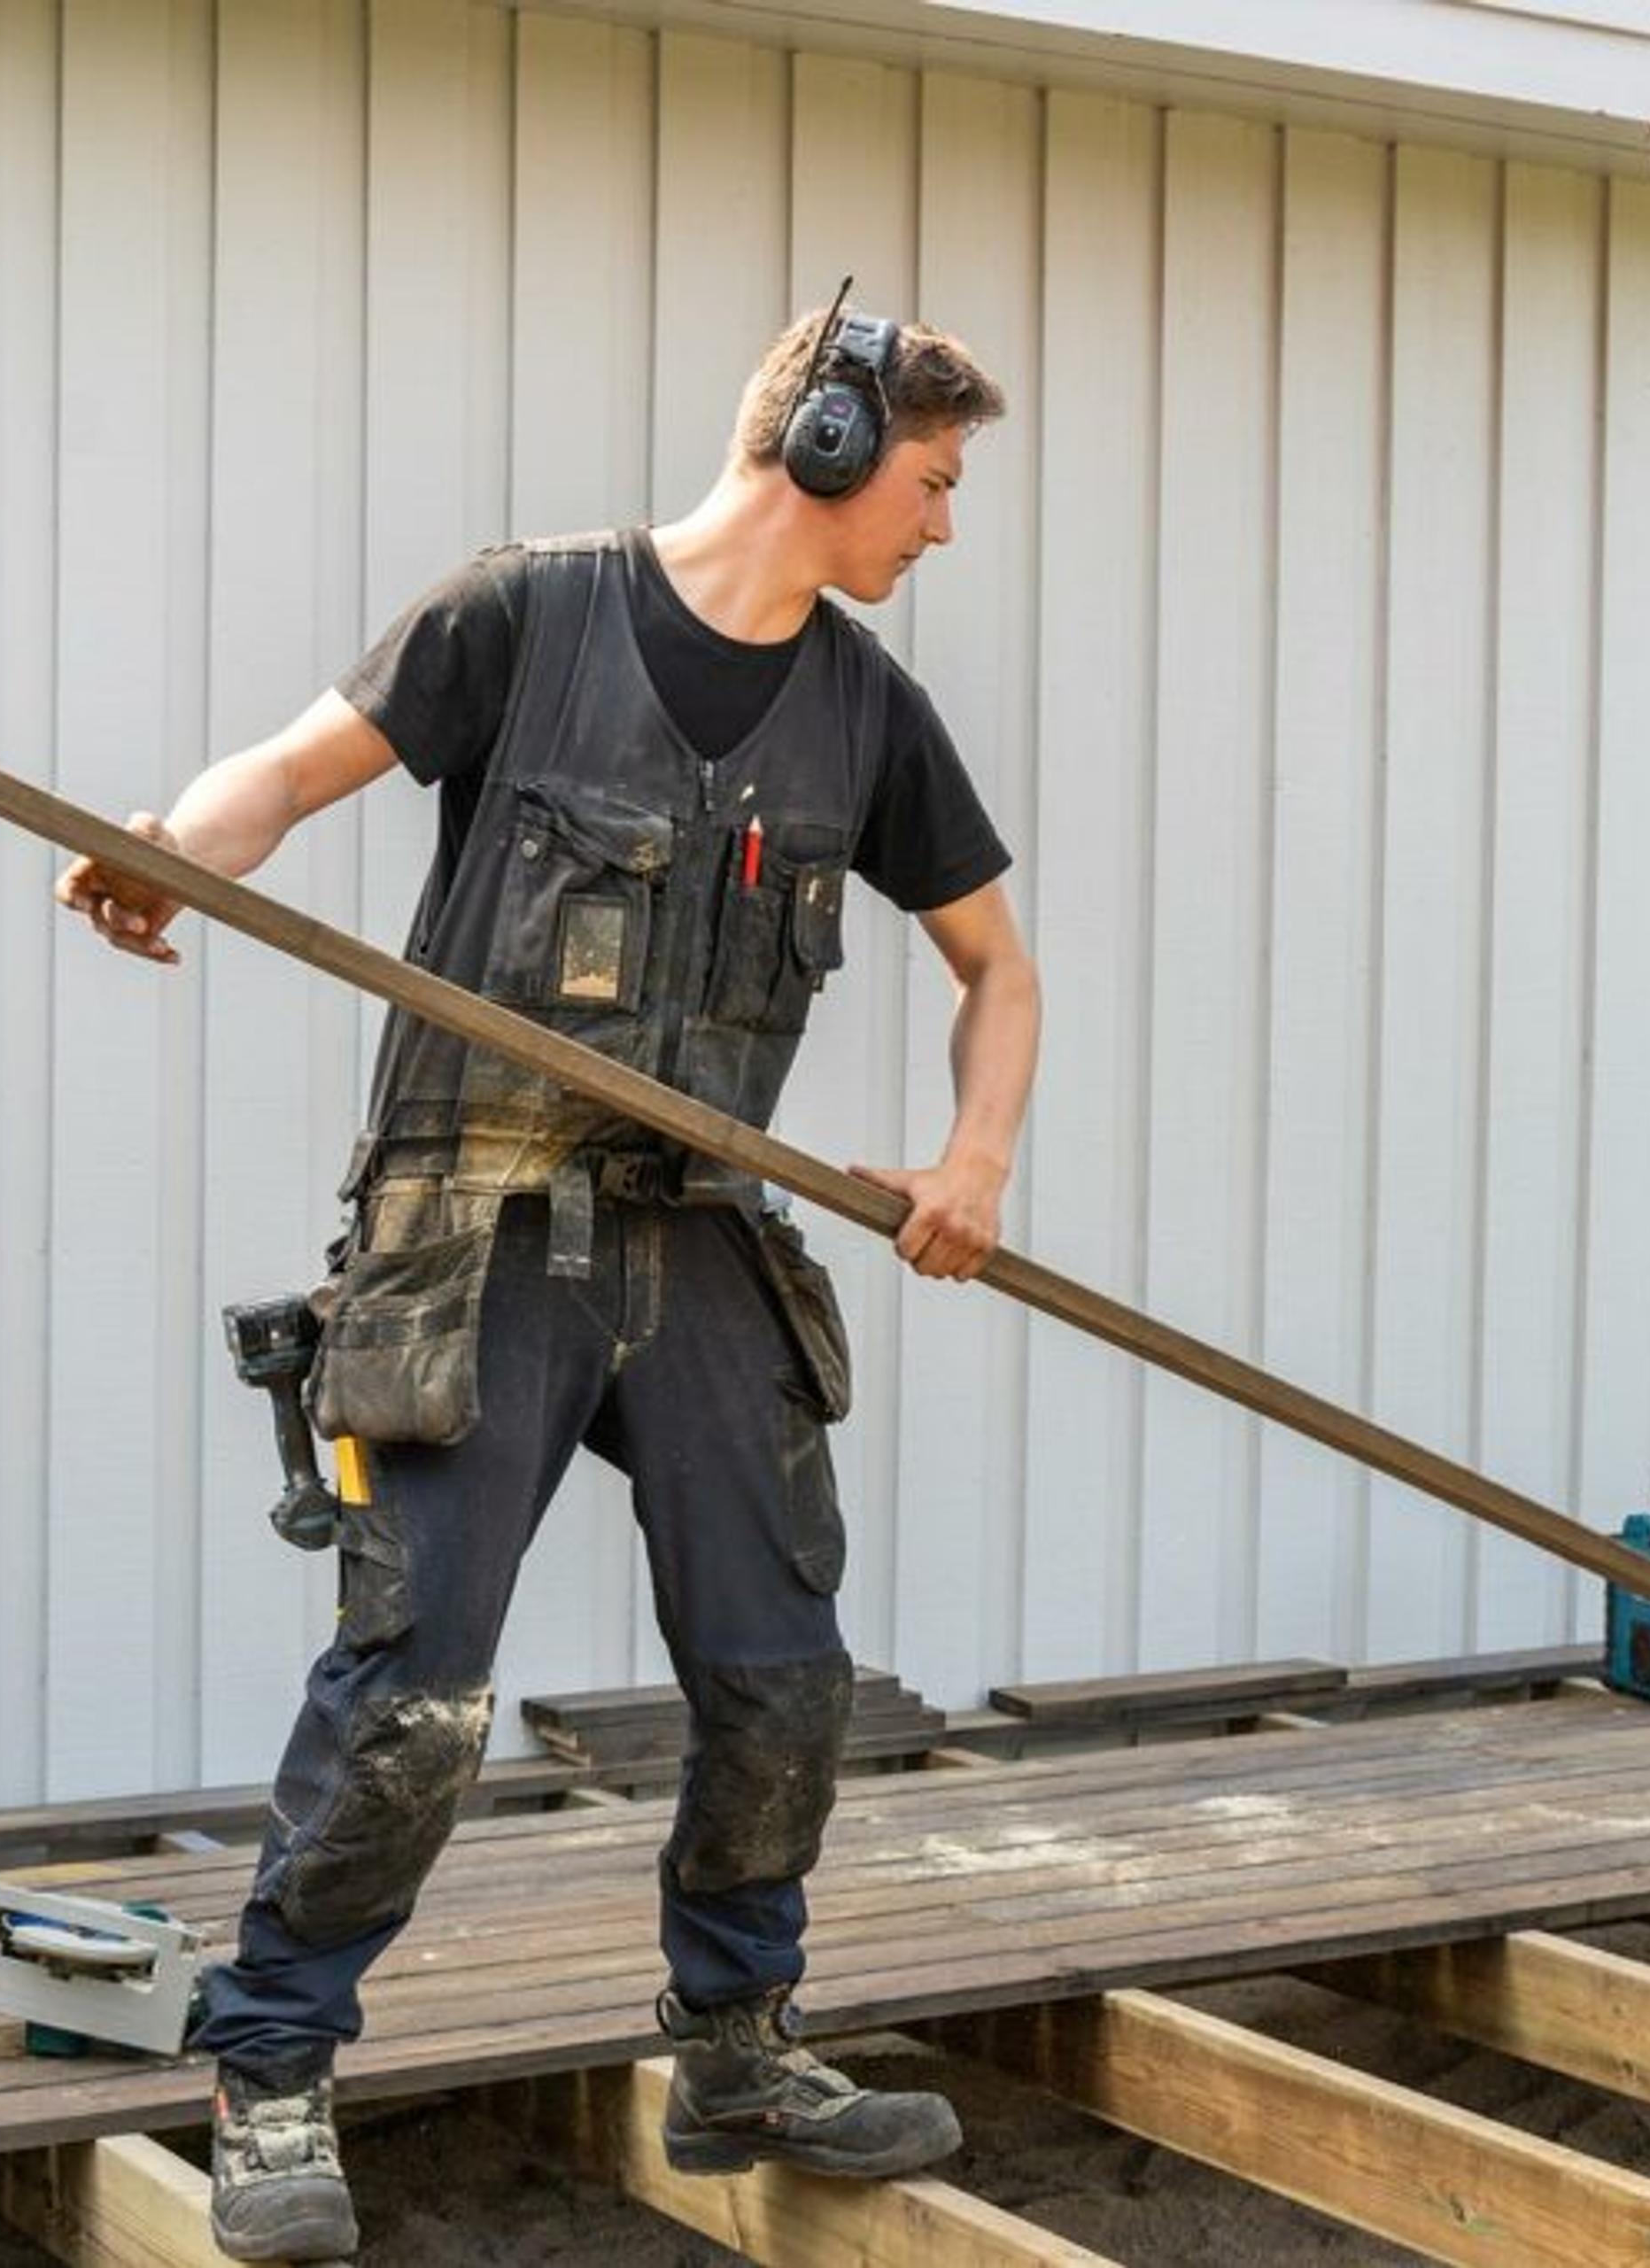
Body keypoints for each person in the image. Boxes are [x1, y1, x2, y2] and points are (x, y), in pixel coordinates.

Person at [56, 301, 1036, 2264]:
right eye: (930, 486)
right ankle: (271, 2075)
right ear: (826, 447)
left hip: (697, 1234)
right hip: (479, 1228)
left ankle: (739, 2042)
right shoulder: (523, 615)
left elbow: (996, 967)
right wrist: (171, 848)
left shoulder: (868, 716)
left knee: (781, 1677)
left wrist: (970, 1167)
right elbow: (286, 776)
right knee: (417, 1687)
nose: (939, 530)